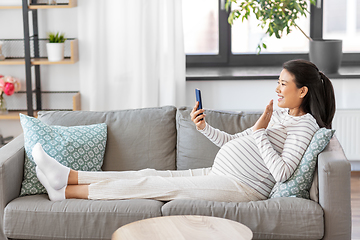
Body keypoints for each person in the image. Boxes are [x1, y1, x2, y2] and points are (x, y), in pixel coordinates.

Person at [33, 59, 335, 202]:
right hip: (220, 174)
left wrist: (260, 131)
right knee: (146, 173)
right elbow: (232, 141)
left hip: (243, 188)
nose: (277, 88)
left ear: (303, 91)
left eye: (284, 83)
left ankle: (66, 193)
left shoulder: (305, 126)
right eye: (278, 81)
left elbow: (282, 173)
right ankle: (68, 177)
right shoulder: (281, 115)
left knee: (149, 185)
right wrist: (204, 128)